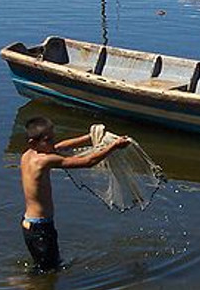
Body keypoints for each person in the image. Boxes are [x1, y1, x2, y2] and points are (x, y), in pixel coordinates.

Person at [20, 116, 131, 273]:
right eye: (48, 140)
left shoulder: (28, 155)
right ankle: (22, 283)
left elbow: (60, 146)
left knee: (44, 268)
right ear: (33, 142)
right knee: (49, 270)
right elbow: (88, 162)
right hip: (40, 227)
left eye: (53, 138)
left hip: (29, 224)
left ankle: (25, 281)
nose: (53, 142)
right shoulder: (44, 161)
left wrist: (89, 138)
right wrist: (113, 146)